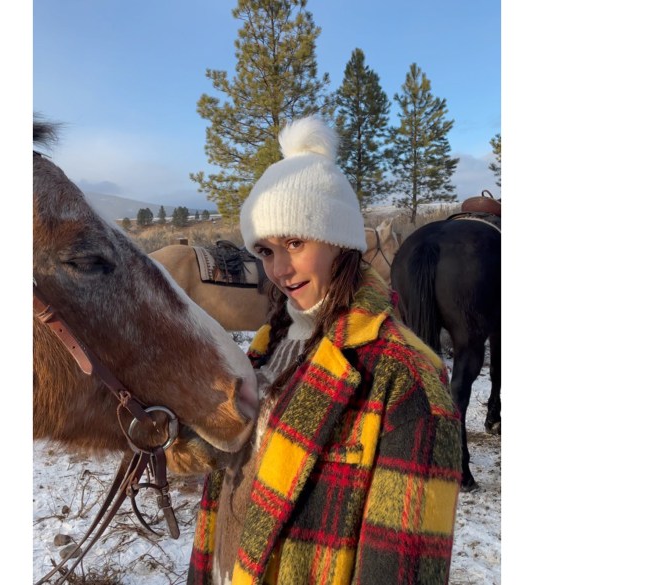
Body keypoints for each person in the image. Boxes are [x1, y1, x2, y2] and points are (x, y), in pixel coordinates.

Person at [186, 116, 462, 585]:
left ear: (340, 244)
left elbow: (399, 571)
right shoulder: (267, 347)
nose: (280, 269)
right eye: (267, 251)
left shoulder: (407, 378)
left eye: (295, 242)